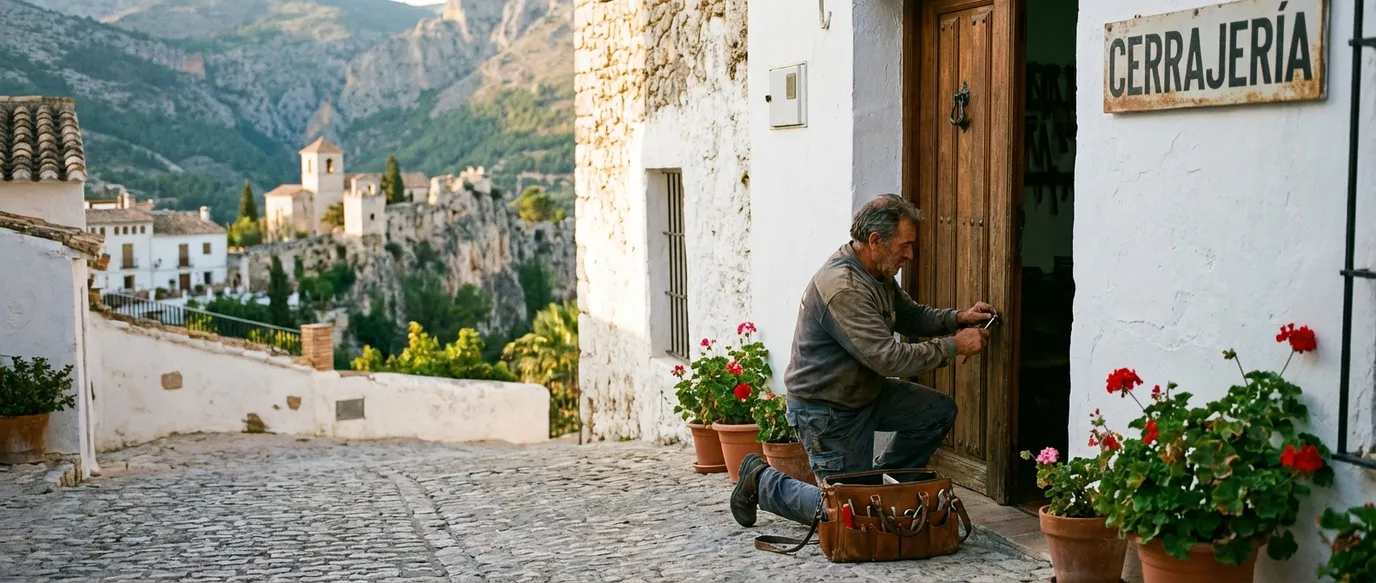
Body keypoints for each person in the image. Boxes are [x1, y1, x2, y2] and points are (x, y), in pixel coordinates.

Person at [730, 193, 996, 528]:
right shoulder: (844, 287)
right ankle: (762, 481)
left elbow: (909, 316)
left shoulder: (875, 271)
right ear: (875, 240)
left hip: (864, 397)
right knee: (850, 515)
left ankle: (876, 484)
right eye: (905, 245)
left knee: (937, 412)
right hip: (826, 412)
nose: (910, 254)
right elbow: (889, 359)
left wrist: (958, 317)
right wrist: (954, 346)